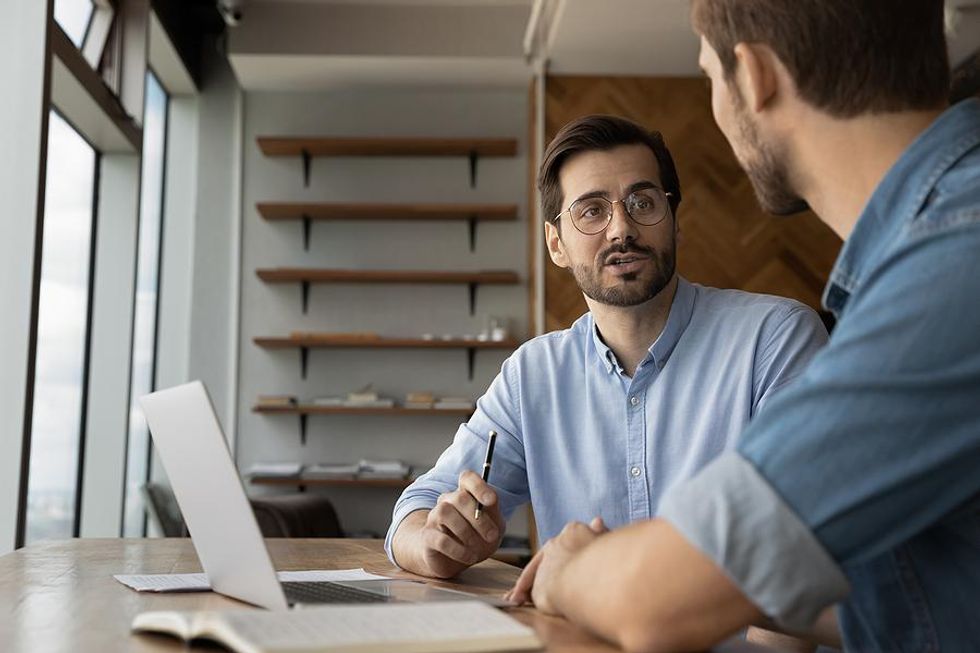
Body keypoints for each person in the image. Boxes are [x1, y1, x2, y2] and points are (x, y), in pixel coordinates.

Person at [506, 1, 980, 651]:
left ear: (754, 77)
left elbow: (654, 607)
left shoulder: (952, 263)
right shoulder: (941, 241)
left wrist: (572, 571)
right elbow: (920, 589)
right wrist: (656, 569)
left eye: (708, 76)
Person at [385, 114, 829, 580]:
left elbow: (806, 546)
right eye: (592, 210)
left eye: (642, 201)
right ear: (556, 243)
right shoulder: (532, 375)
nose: (622, 228)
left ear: (675, 222)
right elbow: (416, 509)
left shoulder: (775, 338)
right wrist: (436, 544)